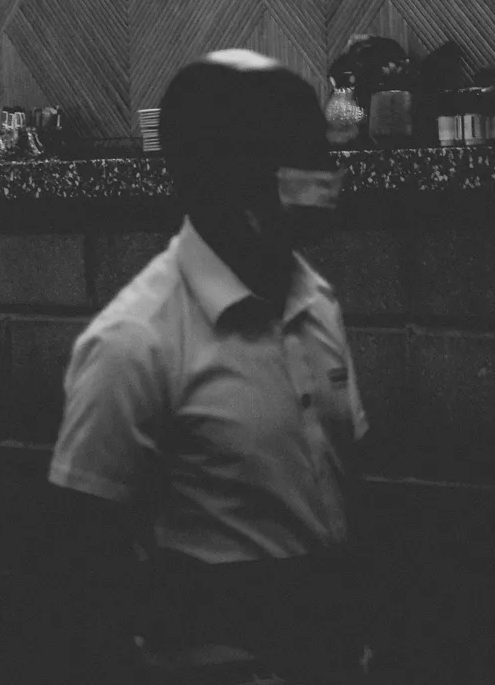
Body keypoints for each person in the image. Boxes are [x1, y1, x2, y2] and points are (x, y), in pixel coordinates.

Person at [46, 49, 371, 682]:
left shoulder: (318, 303)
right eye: (298, 153)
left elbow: (349, 480)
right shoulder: (134, 344)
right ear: (225, 175)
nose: (323, 174)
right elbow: (81, 571)